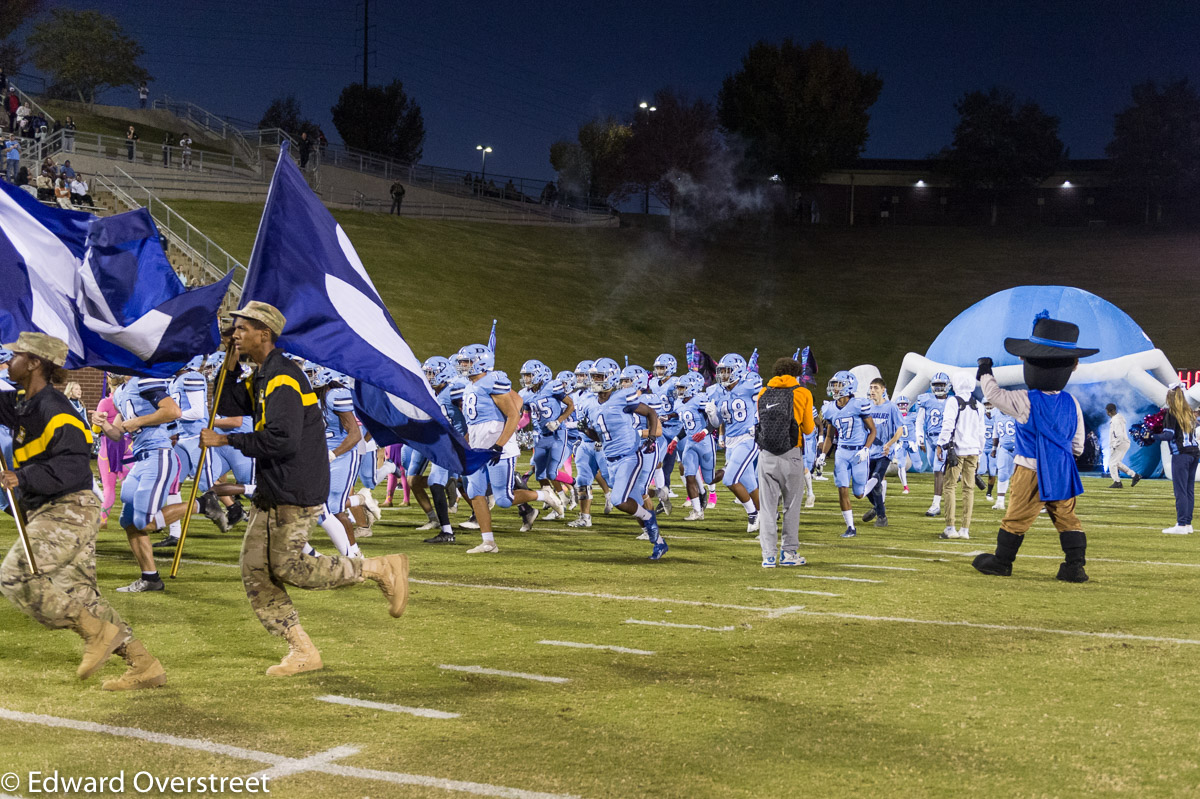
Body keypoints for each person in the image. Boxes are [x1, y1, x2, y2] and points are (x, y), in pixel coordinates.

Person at [198, 302, 411, 677]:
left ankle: (377, 567)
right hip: (274, 487)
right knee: (255, 572)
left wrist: (226, 442)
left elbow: (282, 440)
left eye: (242, 329)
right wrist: (230, 361)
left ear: (265, 333)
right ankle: (302, 650)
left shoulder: (283, 378)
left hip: (294, 487)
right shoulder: (263, 375)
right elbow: (228, 400)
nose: (235, 335)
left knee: (290, 567)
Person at [0, 332, 165, 691]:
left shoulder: (56, 410)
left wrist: (21, 476)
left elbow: (74, 471)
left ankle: (96, 633)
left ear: (33, 363)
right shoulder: (24, 403)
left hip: (69, 507)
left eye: (14, 357)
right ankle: (144, 664)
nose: (7, 362)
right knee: (81, 593)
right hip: (54, 507)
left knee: (14, 576)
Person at [972, 313, 1094, 583]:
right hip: (1062, 468)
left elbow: (993, 395)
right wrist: (1061, 459)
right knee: (1067, 517)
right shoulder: (1071, 402)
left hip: (1030, 468)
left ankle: (1002, 562)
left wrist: (985, 372)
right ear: (1071, 366)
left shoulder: (1025, 400)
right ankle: (1075, 566)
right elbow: (1078, 444)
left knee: (1016, 517)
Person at [457, 348, 565, 553]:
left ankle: (543, 495)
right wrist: (463, 444)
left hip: (499, 448)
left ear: (480, 363)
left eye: (466, 362)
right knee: (475, 493)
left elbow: (513, 414)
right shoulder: (471, 385)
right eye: (462, 362)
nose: (463, 366)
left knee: (504, 500)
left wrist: (499, 444)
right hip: (477, 447)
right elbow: (474, 424)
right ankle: (488, 542)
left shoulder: (492, 381)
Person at [91, 374, 183, 593]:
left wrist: (139, 421)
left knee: (143, 522)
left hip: (158, 454)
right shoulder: (121, 391)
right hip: (139, 459)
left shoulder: (145, 380)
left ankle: (201, 504)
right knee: (128, 521)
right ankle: (150, 578)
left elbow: (173, 411)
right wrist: (103, 423)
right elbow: (117, 433)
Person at [578, 358, 667, 559]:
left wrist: (652, 438)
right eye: (593, 377)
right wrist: (586, 430)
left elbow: (651, 413)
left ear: (611, 378)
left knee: (619, 500)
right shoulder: (592, 403)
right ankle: (659, 543)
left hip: (629, 456)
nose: (595, 381)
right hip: (610, 459)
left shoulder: (621, 397)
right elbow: (599, 436)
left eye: (599, 377)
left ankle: (650, 520)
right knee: (635, 500)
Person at [754, 356, 815, 567]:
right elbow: (808, 429)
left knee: (768, 507)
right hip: (791, 454)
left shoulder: (763, 392)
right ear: (797, 374)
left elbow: (761, 423)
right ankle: (789, 553)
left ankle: (768, 556)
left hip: (766, 455)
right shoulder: (802, 393)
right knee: (791, 507)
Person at [814, 371, 876, 538]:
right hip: (841, 452)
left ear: (849, 386)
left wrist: (866, 449)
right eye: (834, 384)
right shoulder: (829, 409)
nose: (835, 388)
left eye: (838, 385)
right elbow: (829, 435)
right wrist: (822, 454)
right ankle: (851, 527)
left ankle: (874, 482)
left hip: (858, 452)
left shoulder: (858, 405)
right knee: (842, 488)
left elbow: (872, 430)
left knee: (859, 494)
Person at [706, 353, 762, 533]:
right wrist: (712, 414)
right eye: (721, 371)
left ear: (737, 370)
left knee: (730, 479)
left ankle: (753, 513)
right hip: (730, 442)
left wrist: (759, 421)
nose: (723, 375)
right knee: (750, 484)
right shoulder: (720, 393)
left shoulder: (749, 385)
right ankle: (767, 514)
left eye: (727, 371)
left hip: (747, 439)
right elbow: (717, 423)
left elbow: (766, 400)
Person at [936, 371, 986, 540]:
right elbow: (981, 432)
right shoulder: (979, 405)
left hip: (956, 450)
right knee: (969, 489)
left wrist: (941, 443)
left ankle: (950, 527)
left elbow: (948, 424)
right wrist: (979, 451)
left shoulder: (953, 401)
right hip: (973, 450)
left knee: (949, 487)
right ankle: (965, 529)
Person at [1156, 385, 1198, 535]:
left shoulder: (1172, 413)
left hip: (1181, 454)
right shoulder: (1188, 412)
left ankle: (1181, 524)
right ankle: (1187, 524)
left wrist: (1152, 436)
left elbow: (1168, 435)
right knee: (1188, 490)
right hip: (1194, 453)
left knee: (1180, 491)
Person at [863, 378, 903, 527]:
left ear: (883, 390)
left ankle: (882, 517)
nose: (872, 390)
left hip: (885, 452)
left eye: (876, 388)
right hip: (869, 452)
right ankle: (877, 507)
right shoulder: (867, 407)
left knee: (875, 480)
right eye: (871, 387)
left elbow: (900, 429)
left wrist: (890, 444)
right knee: (862, 486)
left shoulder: (891, 408)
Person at [917, 372, 951, 517]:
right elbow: (919, 420)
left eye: (941, 385)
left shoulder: (953, 401)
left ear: (948, 386)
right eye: (936, 385)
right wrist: (920, 438)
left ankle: (936, 504)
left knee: (938, 470)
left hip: (943, 441)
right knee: (935, 468)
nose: (938, 388)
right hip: (930, 439)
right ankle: (954, 474)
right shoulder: (927, 400)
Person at [1104, 403, 1140, 488]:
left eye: (1107, 411)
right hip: (1124, 443)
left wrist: (1114, 445)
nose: (1106, 413)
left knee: (1112, 463)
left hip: (1120, 443)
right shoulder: (1118, 419)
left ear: (1110, 411)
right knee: (1116, 463)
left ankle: (1117, 482)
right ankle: (1134, 475)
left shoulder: (1115, 420)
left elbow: (1119, 435)